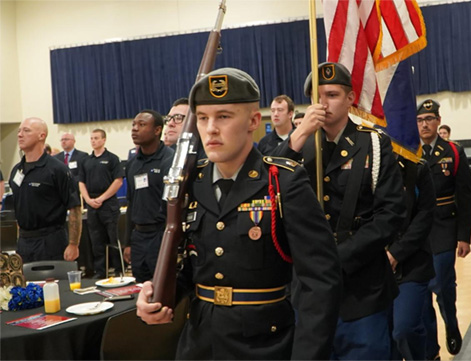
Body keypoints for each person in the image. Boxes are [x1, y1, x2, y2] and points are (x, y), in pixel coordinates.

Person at [136, 68, 342, 360]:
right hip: (200, 344)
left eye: (223, 116)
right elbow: (189, 267)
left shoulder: (283, 181)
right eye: (203, 118)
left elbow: (320, 282)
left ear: (254, 121)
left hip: (265, 346)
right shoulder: (190, 183)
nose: (210, 129)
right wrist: (157, 297)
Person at [274, 62, 405, 360]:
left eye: (332, 94)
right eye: (316, 96)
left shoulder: (373, 144)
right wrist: (299, 135)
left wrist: (338, 259)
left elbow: (392, 214)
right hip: (307, 288)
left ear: (350, 98)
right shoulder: (299, 145)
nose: (323, 103)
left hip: (361, 286)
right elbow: (270, 192)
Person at [417, 99, 471, 360]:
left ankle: (451, 322)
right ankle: (431, 351)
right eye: (419, 120)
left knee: (442, 285)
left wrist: (464, 236)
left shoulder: (453, 151)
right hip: (417, 230)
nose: (424, 124)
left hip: (443, 226)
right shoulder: (408, 151)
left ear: (438, 121)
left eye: (429, 119)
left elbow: (465, 195)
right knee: (420, 293)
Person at [9, 117, 81, 262]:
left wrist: (73, 244)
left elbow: (75, 208)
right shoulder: (17, 170)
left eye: (26, 130)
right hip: (24, 242)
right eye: (19, 131)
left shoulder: (57, 169)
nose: (20, 134)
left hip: (51, 241)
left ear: (42, 136)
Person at [387, 156, 436, 361]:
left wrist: (396, 253)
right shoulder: (367, 164)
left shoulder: (418, 168)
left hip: (412, 261)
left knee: (404, 329)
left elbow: (425, 216)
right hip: (373, 262)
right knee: (386, 339)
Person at [123, 110, 174, 283]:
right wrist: (127, 242)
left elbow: (172, 205)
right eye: (134, 125)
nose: (135, 129)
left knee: (163, 287)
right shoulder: (132, 164)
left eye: (142, 125)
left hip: (160, 234)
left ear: (157, 130)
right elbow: (131, 203)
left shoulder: (169, 160)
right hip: (138, 236)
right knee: (140, 288)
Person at [79, 129, 124, 279]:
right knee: (96, 241)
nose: (93, 141)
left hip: (108, 204)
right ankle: (100, 272)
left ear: (104, 140)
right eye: (91, 138)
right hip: (91, 204)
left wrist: (102, 198)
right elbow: (81, 182)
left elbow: (118, 181)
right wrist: (88, 200)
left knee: (113, 238)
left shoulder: (112, 159)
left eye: (96, 138)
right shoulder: (86, 160)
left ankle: (118, 270)